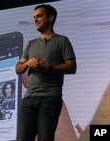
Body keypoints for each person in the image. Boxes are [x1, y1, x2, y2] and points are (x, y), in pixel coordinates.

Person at [15, 4, 77, 141]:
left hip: (50, 98)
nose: (35, 20)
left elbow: (72, 67)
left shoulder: (62, 41)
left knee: (45, 138)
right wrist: (27, 63)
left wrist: (49, 67)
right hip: (29, 99)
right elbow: (18, 68)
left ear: (50, 18)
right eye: (34, 17)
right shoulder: (31, 44)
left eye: (39, 16)